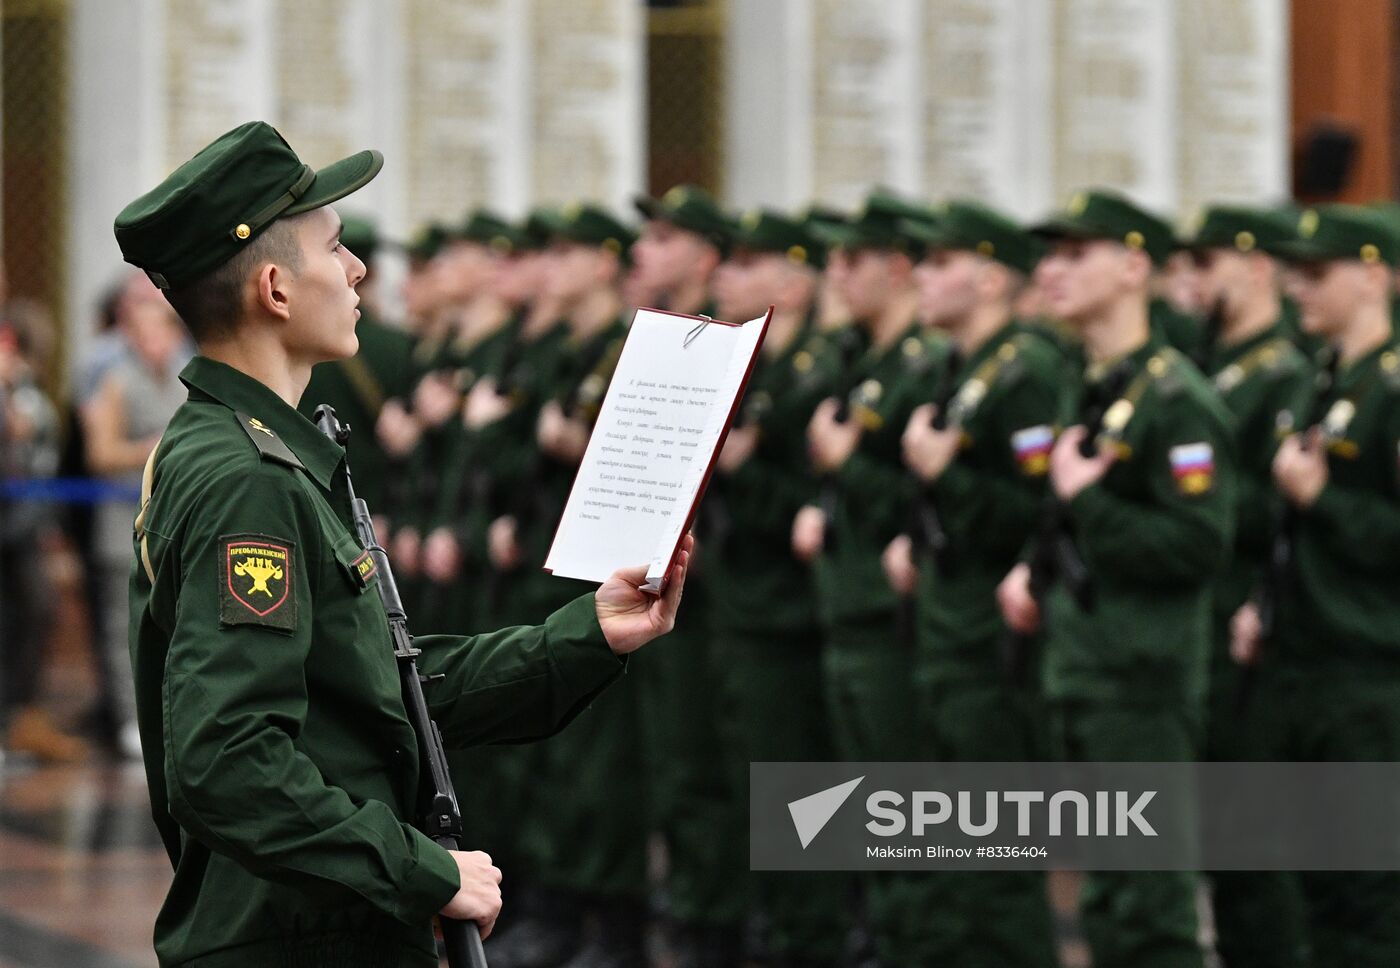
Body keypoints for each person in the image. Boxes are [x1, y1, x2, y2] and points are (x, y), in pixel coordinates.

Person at [113, 121, 691, 968]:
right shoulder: (249, 477)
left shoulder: (256, 448)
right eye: (336, 247)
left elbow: (375, 700)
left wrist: (586, 633)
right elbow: (227, 762)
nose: (358, 271)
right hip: (301, 938)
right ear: (275, 288)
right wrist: (420, 871)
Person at [997, 189, 1236, 968]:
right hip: (1088, 670)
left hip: (1141, 677)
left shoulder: (1175, 399)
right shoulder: (1098, 383)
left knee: (1151, 902)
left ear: (1135, 267)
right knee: (1106, 895)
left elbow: (1198, 545)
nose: (1052, 271)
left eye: (1076, 253)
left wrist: (1089, 500)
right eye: (1050, 255)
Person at [884, 200, 1062, 967]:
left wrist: (946, 474)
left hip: (992, 641)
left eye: (942, 262)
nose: (922, 277)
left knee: (995, 852)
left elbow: (1033, 512)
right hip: (948, 629)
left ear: (991, 278)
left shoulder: (1024, 371)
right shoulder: (965, 367)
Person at [1231, 205, 1400, 968]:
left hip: (1368, 673)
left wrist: (1320, 497)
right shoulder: (1321, 380)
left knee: (1369, 897)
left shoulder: (1390, 388)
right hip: (1303, 662)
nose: (1299, 288)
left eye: (1318, 273)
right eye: (1293, 272)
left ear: (1374, 277)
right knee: (1315, 888)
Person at [798, 188, 947, 965]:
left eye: (853, 260)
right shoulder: (862, 360)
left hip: (891, 617)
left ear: (896, 268)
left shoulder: (921, 365)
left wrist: (849, 465)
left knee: (900, 807)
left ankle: (907, 943)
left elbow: (924, 495)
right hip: (846, 606)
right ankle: (880, 936)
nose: (837, 274)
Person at [708, 208, 852, 967]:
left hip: (791, 612)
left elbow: (806, 499)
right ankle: (780, 928)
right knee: (754, 785)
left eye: (745, 262)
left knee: (799, 793)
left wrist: (744, 472)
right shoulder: (752, 363)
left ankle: (813, 937)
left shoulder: (815, 372)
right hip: (746, 603)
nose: (723, 275)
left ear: (793, 282)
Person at [1184, 205, 1313, 968]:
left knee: (1256, 849)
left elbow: (1275, 511)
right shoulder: (1207, 365)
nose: (1192, 283)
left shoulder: (1283, 373)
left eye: (1210, 265)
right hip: (1202, 627)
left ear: (1257, 269)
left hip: (1248, 632)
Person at [82, 297, 191, 759]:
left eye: (158, 330)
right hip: (120, 521)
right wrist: (148, 449)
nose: (151, 342)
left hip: (171, 522)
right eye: (141, 333)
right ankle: (129, 718)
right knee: (120, 627)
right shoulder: (116, 382)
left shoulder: (186, 380)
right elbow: (100, 455)